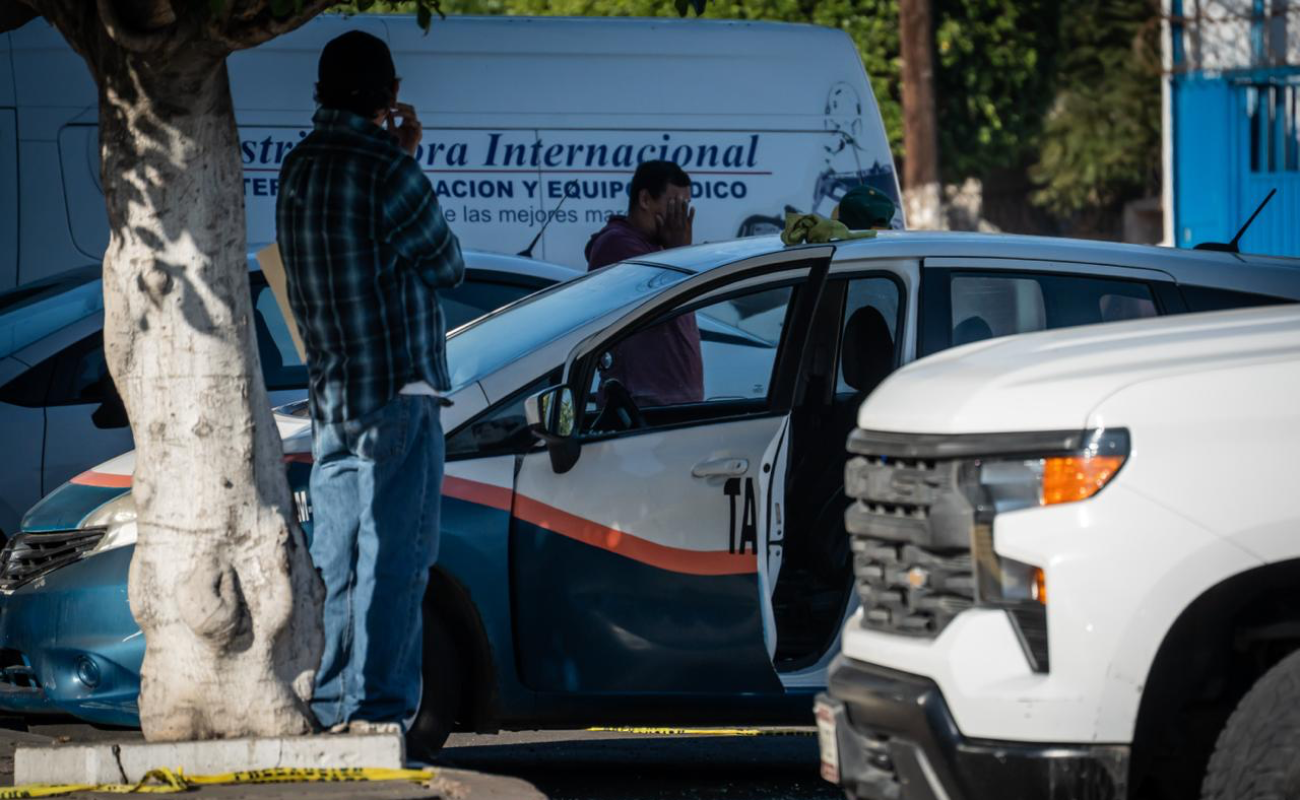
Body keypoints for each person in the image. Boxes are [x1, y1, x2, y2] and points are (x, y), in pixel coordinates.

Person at [276, 30, 464, 738]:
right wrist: (404, 156)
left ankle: (328, 707)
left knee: (338, 556)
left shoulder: (298, 167)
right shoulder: (389, 170)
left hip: (331, 395)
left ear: (323, 91)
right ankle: (380, 711)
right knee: (398, 557)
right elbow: (447, 266)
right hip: (399, 391)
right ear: (389, 93)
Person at [584, 161, 703, 408]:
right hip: (639, 404)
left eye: (685, 206)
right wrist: (679, 252)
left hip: (668, 403)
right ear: (645, 200)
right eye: (673, 205)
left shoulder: (659, 246)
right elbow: (666, 298)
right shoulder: (617, 245)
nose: (679, 217)